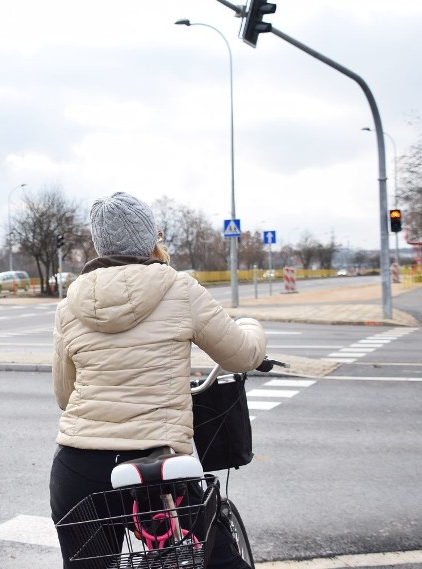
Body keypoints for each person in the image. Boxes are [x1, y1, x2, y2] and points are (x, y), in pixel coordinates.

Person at [50, 191, 267, 569]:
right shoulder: (179, 288)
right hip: (159, 467)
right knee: (217, 560)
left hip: (80, 467)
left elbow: (65, 395)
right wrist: (250, 325)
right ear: (151, 238)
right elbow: (242, 355)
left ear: (98, 244)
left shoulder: (69, 305)